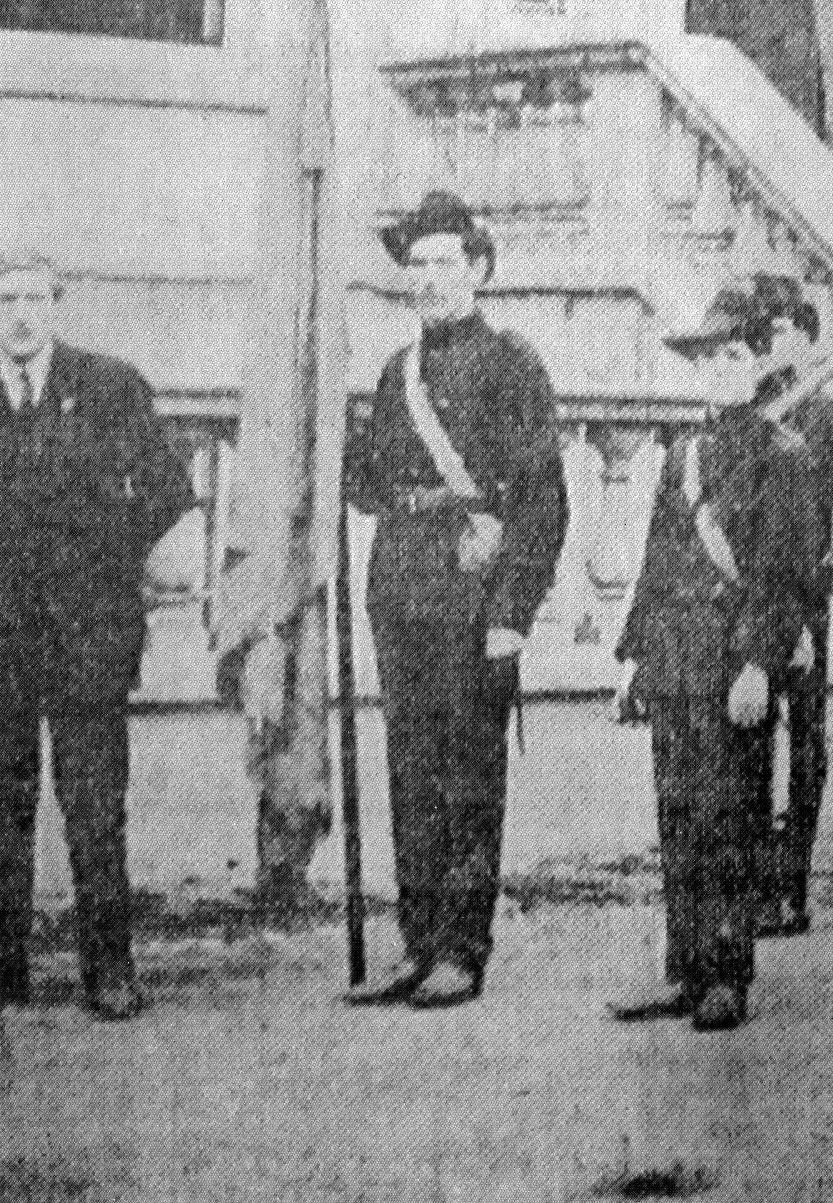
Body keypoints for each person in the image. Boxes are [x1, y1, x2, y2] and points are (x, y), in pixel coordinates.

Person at [344, 191, 568, 1007]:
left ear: (476, 268)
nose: (428, 278)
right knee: (410, 771)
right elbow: (368, 487)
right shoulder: (394, 371)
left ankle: (461, 949)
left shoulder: (511, 362)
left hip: (473, 596)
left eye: (443, 261)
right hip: (400, 587)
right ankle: (416, 942)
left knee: (467, 775)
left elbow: (541, 499)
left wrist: (512, 613)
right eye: (416, 264)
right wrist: (338, 438)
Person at [611, 273, 814, 1030]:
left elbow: (784, 576)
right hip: (676, 657)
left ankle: (726, 970)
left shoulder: (785, 455)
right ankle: (684, 967)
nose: (719, 369)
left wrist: (758, 664)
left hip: (735, 663)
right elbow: (658, 562)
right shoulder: (684, 456)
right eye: (708, 357)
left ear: (761, 362)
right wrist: (637, 659)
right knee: (679, 816)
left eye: (734, 354)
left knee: (732, 816)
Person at [0, 251, 191, 1019]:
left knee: (94, 805)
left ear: (56, 303)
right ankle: (6, 969)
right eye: (5, 300)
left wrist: (107, 558)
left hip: (88, 635)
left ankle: (109, 970)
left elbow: (169, 490)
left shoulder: (109, 385)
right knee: (4, 802)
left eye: (33, 298)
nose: (20, 314)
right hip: (2, 638)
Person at [753, 287, 832, 937]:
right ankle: (752, 883)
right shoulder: (752, 406)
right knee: (748, 734)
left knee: (804, 737)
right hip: (750, 595)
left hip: (804, 594)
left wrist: (814, 596)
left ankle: (791, 884)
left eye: (780, 330)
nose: (770, 344)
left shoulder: (824, 413)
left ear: (806, 337)